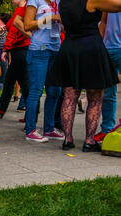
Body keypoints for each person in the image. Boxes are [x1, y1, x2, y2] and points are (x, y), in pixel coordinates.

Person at [47, 0, 121, 152]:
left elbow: (64, 27)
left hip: (69, 47)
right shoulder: (92, 0)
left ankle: (67, 139)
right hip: (90, 48)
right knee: (95, 97)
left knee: (69, 97)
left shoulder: (64, 3)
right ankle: (89, 141)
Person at [23, 0, 64, 143]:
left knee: (55, 91)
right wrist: (50, 18)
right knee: (36, 91)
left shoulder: (58, 2)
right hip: (39, 50)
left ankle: (49, 128)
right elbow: (27, 25)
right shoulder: (35, 1)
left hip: (56, 49)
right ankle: (30, 130)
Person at [0, 0, 31, 119]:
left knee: (25, 84)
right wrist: (6, 49)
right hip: (16, 50)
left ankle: (31, 114)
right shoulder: (17, 11)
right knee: (8, 82)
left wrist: (6, 49)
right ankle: (1, 109)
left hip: (22, 50)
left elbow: (17, 33)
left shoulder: (27, 10)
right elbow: (10, 33)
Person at [95, 12, 121, 143]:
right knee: (108, 92)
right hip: (110, 47)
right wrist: (101, 44)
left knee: (109, 93)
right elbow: (103, 20)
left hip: (112, 48)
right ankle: (107, 130)